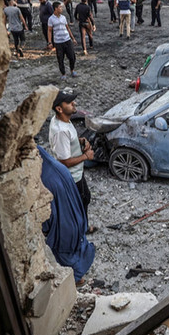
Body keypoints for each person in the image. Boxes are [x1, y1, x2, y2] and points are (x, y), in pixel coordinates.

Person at [38, 145, 95, 288]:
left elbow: (47, 213)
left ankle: (75, 279)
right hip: (75, 217)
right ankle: (78, 276)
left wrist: (45, 229)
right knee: (76, 246)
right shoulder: (57, 168)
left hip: (63, 226)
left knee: (65, 253)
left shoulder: (44, 180)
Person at [49, 90, 97, 234]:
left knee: (84, 199)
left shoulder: (62, 119)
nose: (74, 103)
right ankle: (80, 231)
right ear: (59, 108)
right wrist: (86, 156)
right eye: (70, 102)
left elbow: (67, 144)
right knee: (80, 203)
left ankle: (80, 228)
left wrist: (80, 141)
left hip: (76, 173)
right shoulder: (61, 131)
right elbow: (64, 161)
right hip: (72, 177)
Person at [47, 2, 78, 80]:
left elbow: (67, 28)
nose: (62, 9)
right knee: (60, 58)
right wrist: (50, 42)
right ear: (56, 8)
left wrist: (73, 38)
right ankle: (63, 73)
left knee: (72, 57)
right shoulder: (51, 19)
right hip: (58, 42)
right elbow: (49, 31)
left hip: (67, 39)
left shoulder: (63, 17)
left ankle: (72, 70)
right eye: (60, 7)